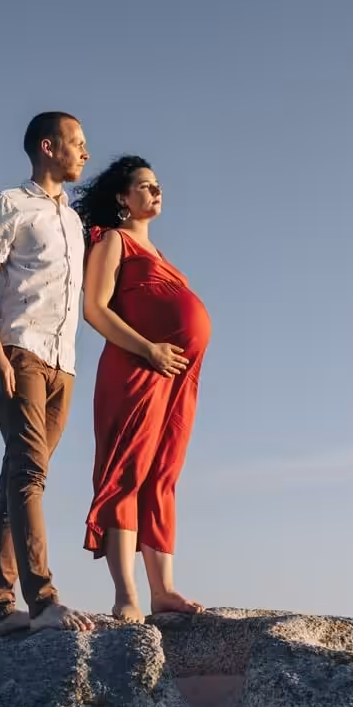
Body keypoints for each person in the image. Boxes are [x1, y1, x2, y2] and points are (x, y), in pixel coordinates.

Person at [0, 111, 97, 637]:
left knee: (16, 480)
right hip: (19, 351)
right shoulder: (9, 204)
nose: (85, 152)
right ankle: (42, 600)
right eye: (78, 143)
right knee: (29, 476)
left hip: (64, 362)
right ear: (48, 147)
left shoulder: (73, 221)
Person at [73, 155, 211, 624]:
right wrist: (150, 350)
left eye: (158, 186)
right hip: (136, 369)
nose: (157, 192)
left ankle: (164, 590)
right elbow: (94, 308)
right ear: (122, 198)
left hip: (177, 377)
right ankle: (126, 595)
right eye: (146, 186)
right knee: (126, 475)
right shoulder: (114, 241)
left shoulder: (160, 256)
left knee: (164, 476)